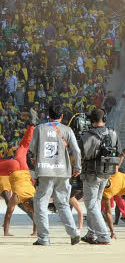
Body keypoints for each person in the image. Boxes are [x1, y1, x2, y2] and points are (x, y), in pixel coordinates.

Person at [28, 105, 82, 246]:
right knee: (63, 203)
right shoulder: (67, 130)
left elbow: (32, 148)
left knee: (40, 203)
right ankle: (74, 233)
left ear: (48, 115)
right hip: (63, 172)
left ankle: (44, 238)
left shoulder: (40, 129)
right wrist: (77, 167)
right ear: (62, 116)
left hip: (45, 171)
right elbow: (76, 151)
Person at [79, 108, 119, 245]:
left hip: (91, 174)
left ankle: (103, 235)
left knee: (91, 205)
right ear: (105, 119)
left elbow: (81, 154)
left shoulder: (89, 135)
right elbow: (117, 152)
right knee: (95, 203)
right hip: (106, 173)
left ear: (91, 121)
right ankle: (91, 233)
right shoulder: (113, 133)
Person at [0, 125, 35, 236]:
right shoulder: (17, 197)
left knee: (23, 146)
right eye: (28, 208)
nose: (27, 210)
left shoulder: (34, 194)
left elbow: (35, 214)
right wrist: (6, 233)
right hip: (13, 168)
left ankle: (31, 127)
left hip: (24, 167)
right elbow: (8, 214)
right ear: (28, 203)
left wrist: (35, 232)